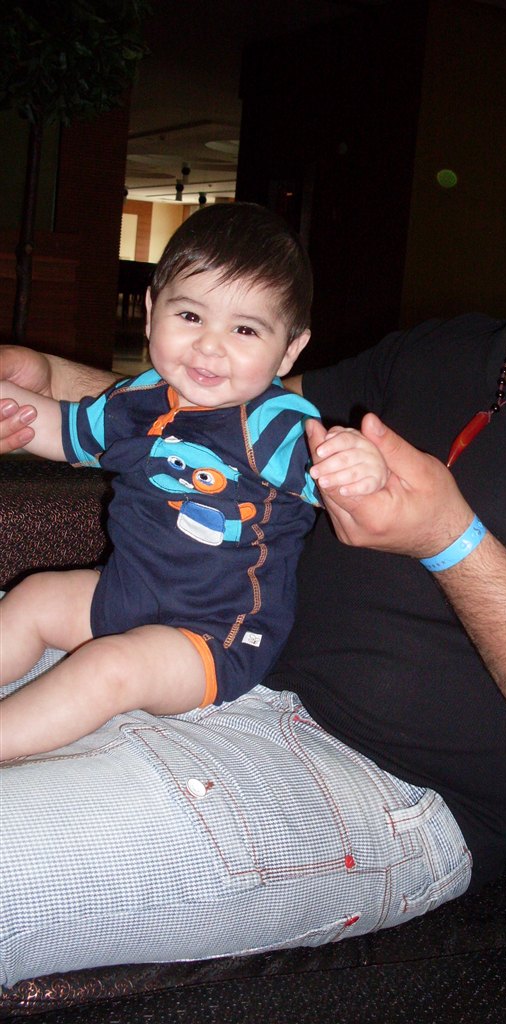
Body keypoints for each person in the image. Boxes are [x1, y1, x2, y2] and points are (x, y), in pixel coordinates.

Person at [0, 21, 506, 988]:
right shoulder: (438, 349)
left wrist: (449, 540)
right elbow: (220, 402)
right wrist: (42, 386)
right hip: (216, 668)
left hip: (384, 790)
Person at [0, 203, 388, 760]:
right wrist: (10, 403)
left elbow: (342, 490)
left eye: (245, 329)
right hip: (126, 594)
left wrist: (360, 469)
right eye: (189, 316)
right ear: (152, 311)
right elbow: (64, 430)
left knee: (110, 666)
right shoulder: (138, 398)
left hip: (216, 637)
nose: (210, 345)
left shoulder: (276, 425)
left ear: (290, 349)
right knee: (35, 597)